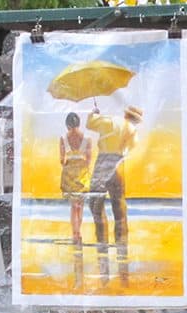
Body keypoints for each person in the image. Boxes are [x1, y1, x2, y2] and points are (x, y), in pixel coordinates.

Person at [86, 104, 143, 285]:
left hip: (102, 163)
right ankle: (123, 274)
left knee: (97, 210)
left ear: (125, 113)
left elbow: (90, 124)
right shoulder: (132, 130)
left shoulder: (109, 120)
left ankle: (104, 273)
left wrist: (94, 112)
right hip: (118, 166)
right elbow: (130, 148)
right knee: (120, 213)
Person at [59, 112, 92, 246]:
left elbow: (62, 160)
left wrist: (69, 162)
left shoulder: (63, 138)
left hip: (69, 175)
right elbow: (89, 160)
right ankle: (79, 233)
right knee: (80, 206)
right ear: (79, 123)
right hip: (82, 175)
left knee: (73, 207)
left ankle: (75, 234)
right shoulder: (87, 139)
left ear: (67, 124)